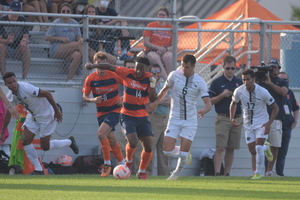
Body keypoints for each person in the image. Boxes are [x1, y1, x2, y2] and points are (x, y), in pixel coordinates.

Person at [85, 56, 157, 180]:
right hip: (127, 115)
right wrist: (93, 66)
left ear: (147, 69)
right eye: (137, 68)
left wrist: (153, 85)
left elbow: (153, 99)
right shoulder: (127, 73)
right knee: (133, 142)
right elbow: (109, 66)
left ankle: (141, 171)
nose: (139, 71)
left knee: (149, 146)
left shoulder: (149, 78)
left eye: (142, 69)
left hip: (142, 116)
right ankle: (127, 162)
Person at [147, 54, 212, 180]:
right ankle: (185, 152)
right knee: (166, 151)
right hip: (174, 119)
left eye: (187, 67)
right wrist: (155, 103)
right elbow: (165, 90)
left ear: (194, 66)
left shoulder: (199, 82)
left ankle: (175, 175)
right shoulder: (174, 75)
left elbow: (208, 103)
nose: (183, 69)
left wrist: (204, 111)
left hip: (190, 121)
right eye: (182, 66)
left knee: (182, 154)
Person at [0, 72, 79, 175]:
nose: (13, 84)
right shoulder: (10, 95)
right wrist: (2, 131)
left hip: (46, 115)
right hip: (33, 116)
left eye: (14, 81)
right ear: (6, 85)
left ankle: (69, 142)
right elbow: (8, 114)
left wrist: (57, 111)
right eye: (10, 83)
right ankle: (38, 169)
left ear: (17, 80)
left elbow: (47, 94)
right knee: (25, 141)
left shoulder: (26, 88)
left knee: (45, 147)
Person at [230, 69, 278, 179]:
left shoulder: (263, 92)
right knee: (253, 151)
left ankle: (258, 173)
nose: (246, 82)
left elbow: (276, 108)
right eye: (243, 80)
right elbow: (233, 103)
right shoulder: (239, 91)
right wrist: (231, 118)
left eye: (248, 79)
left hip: (262, 123)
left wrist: (268, 123)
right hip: (248, 124)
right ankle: (266, 148)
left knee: (258, 148)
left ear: (253, 79)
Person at [82, 51, 125, 177]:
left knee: (101, 134)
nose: (100, 66)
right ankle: (123, 164)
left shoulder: (113, 75)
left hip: (115, 110)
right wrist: (93, 100)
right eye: (98, 64)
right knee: (111, 140)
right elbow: (84, 96)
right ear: (95, 64)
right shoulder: (90, 79)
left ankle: (107, 164)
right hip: (101, 112)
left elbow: (128, 84)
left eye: (103, 63)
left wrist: (123, 98)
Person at [208, 56, 243, 176]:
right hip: (223, 117)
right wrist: (222, 95)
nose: (230, 71)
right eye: (228, 68)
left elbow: (246, 99)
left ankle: (227, 173)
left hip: (237, 117)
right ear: (223, 67)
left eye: (233, 68)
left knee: (231, 148)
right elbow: (210, 101)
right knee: (220, 147)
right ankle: (217, 172)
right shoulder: (216, 82)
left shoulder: (240, 82)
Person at [45, 3, 95, 81]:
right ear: (60, 12)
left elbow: (78, 36)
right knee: (78, 45)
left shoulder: (74, 23)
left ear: (71, 12)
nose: (65, 13)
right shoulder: (56, 22)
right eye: (63, 11)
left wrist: (80, 39)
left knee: (77, 55)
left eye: (68, 11)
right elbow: (47, 37)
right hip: (57, 48)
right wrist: (60, 38)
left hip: (71, 49)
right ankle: (90, 65)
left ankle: (69, 79)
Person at [258, 58, 288, 177]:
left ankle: (269, 170)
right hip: (261, 117)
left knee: (275, 145)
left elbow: (283, 92)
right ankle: (258, 170)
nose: (273, 69)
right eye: (270, 67)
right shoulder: (260, 80)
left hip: (276, 117)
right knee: (259, 144)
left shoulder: (282, 81)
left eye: (275, 67)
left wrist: (270, 83)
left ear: (278, 68)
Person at [147, 63, 170, 175]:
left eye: (157, 72)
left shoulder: (164, 85)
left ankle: (164, 174)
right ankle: (147, 173)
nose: (156, 75)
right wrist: (161, 101)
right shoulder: (148, 85)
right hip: (153, 118)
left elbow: (170, 101)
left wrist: (155, 101)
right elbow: (147, 101)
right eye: (153, 73)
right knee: (150, 147)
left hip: (165, 119)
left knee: (164, 149)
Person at [276, 72, 299, 176]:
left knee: (282, 152)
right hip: (275, 125)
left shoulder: (290, 93)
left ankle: (280, 173)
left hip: (287, 125)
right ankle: (269, 172)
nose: (283, 82)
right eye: (281, 79)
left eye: (284, 80)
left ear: (288, 81)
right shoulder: (273, 91)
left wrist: (295, 120)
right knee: (272, 150)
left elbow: (296, 108)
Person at [0, 1, 31, 80]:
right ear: (9, 10)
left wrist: (24, 41)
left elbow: (26, 37)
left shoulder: (24, 20)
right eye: (14, 11)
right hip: (6, 48)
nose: (15, 13)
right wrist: (6, 41)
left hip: (18, 48)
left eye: (17, 11)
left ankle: (24, 77)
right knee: (1, 46)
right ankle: (4, 76)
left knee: (26, 48)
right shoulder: (2, 20)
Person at [143, 6, 172, 81]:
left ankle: (168, 78)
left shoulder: (170, 28)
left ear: (167, 17)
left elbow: (174, 45)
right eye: (159, 14)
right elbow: (146, 42)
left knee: (169, 56)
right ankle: (167, 81)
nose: (161, 16)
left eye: (163, 15)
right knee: (155, 57)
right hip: (151, 50)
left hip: (165, 50)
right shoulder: (151, 25)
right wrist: (158, 48)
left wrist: (164, 49)